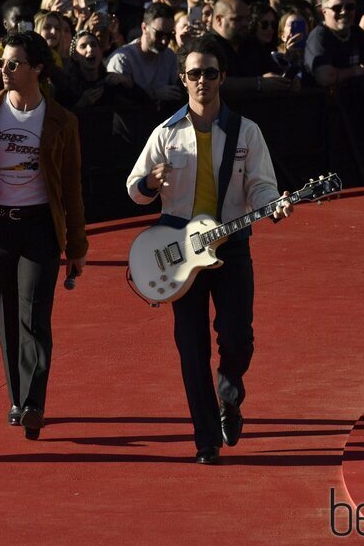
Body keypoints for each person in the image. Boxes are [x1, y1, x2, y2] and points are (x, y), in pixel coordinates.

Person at [125, 35, 292, 464]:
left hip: (232, 247)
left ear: (223, 77)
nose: (203, 81)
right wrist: (150, 183)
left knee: (238, 340)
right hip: (179, 253)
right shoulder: (165, 134)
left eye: (210, 73)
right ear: (183, 79)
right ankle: (205, 440)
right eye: (195, 74)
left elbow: (261, 185)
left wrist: (271, 204)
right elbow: (134, 189)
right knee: (191, 346)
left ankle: (229, 389)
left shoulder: (246, 132)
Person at [0, 30, 88, 440]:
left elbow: (72, 187)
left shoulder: (61, 120)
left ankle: (35, 403)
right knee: (6, 313)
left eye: (13, 63)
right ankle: (16, 399)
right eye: (3, 62)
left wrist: (77, 246)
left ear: (37, 69)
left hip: (41, 226)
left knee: (35, 314)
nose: (3, 69)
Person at [106, 2, 181, 104]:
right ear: (144, 28)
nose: (164, 41)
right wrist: (154, 95)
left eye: (169, 35)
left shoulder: (169, 56)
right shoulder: (122, 59)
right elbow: (119, 103)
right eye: (159, 34)